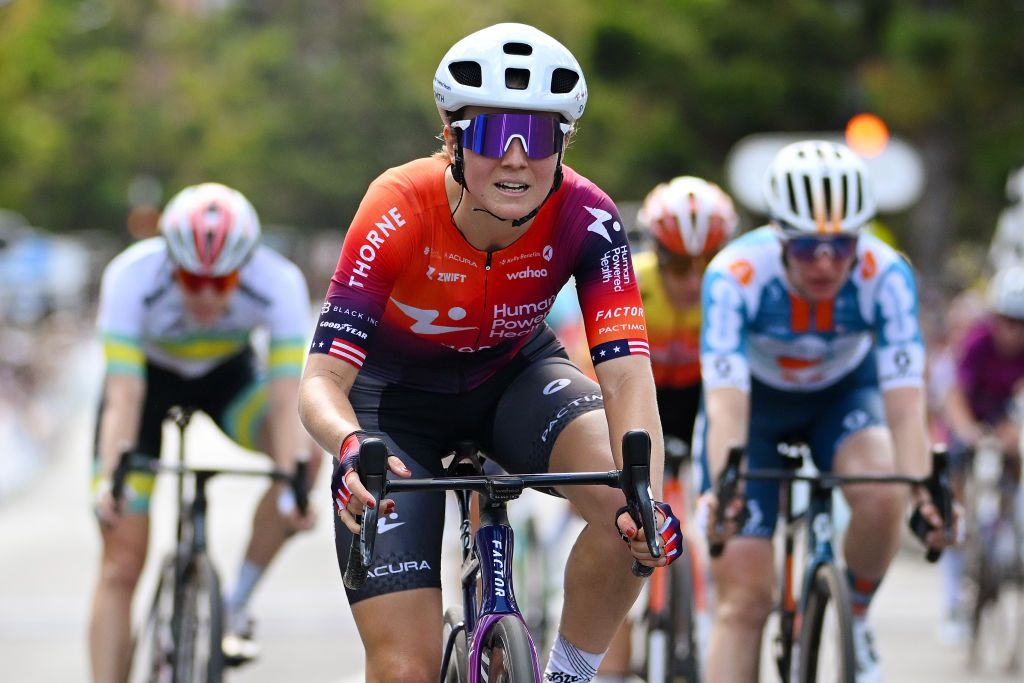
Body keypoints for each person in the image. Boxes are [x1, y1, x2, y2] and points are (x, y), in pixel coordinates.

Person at [297, 23, 682, 683]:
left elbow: (625, 376)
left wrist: (646, 491)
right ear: (452, 140)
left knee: (628, 508)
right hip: (396, 409)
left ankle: (567, 674)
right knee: (405, 670)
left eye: (537, 136)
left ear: (562, 144)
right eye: (492, 133)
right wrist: (349, 444)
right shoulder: (397, 207)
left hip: (514, 380)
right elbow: (321, 380)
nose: (514, 159)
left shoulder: (588, 217)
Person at [698, 140, 953, 683]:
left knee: (883, 485)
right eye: (807, 245)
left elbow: (905, 403)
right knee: (744, 601)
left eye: (842, 245)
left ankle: (855, 614)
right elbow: (725, 402)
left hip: (842, 398)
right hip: (755, 409)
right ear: (778, 235)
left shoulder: (887, 273)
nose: (825, 262)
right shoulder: (734, 274)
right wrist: (727, 484)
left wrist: (922, 491)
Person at [88, 182, 320, 683]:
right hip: (146, 385)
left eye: (224, 279)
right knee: (121, 562)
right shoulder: (131, 275)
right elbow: (123, 395)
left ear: (246, 266)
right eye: (193, 280)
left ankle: (234, 605)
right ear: (171, 262)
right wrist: (111, 479)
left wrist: (292, 489)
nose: (208, 294)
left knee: (307, 454)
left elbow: (286, 397)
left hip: (227, 379)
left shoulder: (278, 279)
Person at [596, 176, 739, 681]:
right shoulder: (632, 282)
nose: (694, 281)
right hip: (639, 400)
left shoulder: (733, 291)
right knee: (612, 526)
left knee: (708, 517)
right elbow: (593, 370)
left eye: (708, 262)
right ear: (657, 253)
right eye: (679, 264)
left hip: (700, 404)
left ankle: (700, 615)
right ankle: (612, 665)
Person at [938, 264, 1024, 641]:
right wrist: (968, 431)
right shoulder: (977, 342)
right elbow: (955, 394)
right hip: (970, 417)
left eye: (1021, 324)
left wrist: (1014, 428)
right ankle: (954, 589)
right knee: (955, 477)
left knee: (1016, 462)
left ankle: (1012, 529)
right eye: (1007, 321)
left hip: (1005, 417)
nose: (1013, 331)